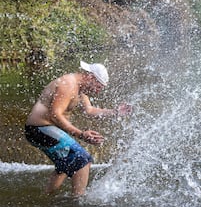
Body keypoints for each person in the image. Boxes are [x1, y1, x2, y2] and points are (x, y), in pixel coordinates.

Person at [25, 61, 132, 196]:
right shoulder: (68, 84)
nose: (98, 92)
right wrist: (81, 134)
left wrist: (115, 112)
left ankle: (45, 198)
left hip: (44, 129)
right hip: (39, 129)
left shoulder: (80, 89)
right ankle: (78, 203)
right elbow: (55, 115)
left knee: (64, 166)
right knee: (82, 159)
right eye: (98, 87)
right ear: (91, 77)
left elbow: (89, 110)